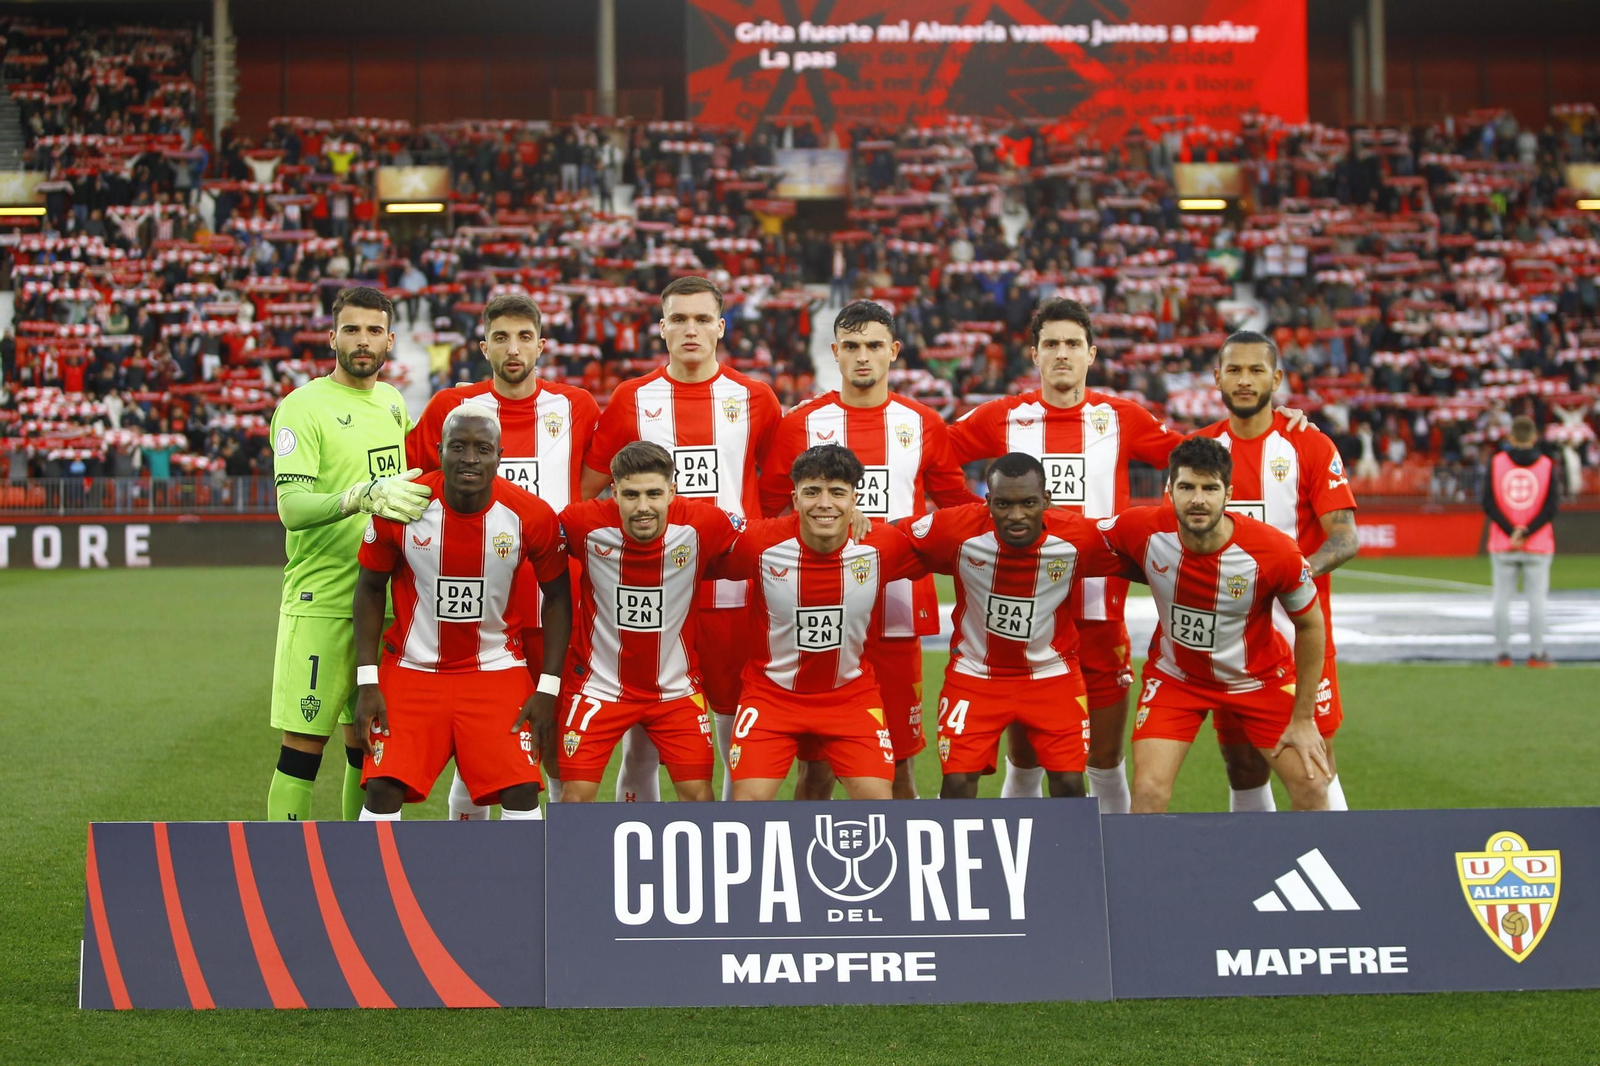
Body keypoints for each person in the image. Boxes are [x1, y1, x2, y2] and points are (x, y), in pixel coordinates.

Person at [946, 298, 1182, 811]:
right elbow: (932, 453)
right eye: (1050, 343)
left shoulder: (1121, 417)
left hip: (1099, 605)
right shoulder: (1004, 417)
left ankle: (1115, 865)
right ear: (1033, 353)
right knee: (1026, 760)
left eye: (1072, 344)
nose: (1061, 353)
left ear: (1091, 354)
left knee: (1103, 760)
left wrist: (1280, 423)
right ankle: (1027, 867)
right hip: (1022, 607)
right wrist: (975, 520)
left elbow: (1191, 458)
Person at [759, 299, 979, 800]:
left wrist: (899, 532)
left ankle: (902, 872)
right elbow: (770, 514)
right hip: (817, 605)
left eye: (875, 346)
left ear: (894, 351)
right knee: (814, 770)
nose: (863, 356)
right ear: (834, 351)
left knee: (899, 761)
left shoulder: (922, 423)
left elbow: (957, 511)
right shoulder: (800, 425)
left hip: (896, 607)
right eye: (852, 346)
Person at [582, 276, 782, 802]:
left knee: (734, 725)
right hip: (655, 595)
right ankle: (636, 849)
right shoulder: (631, 399)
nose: (690, 329)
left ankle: (732, 843)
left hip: (734, 596)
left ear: (721, 326)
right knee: (644, 741)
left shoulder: (756, 399)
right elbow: (591, 493)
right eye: (679, 319)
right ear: (662, 328)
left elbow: (780, 494)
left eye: (701, 319)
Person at [406, 292, 599, 817]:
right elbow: (416, 484)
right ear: (483, 345)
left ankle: (555, 855)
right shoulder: (452, 407)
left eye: (523, 337)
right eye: (500, 337)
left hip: (556, 600)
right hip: (479, 609)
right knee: (483, 741)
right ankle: (477, 866)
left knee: (556, 735)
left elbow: (587, 487)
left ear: (542, 344)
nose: (513, 349)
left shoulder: (576, 406)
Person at [352, 405, 573, 820]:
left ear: (499, 456)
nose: (470, 458)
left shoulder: (530, 515)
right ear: (439, 451)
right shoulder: (404, 507)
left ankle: (517, 885)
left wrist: (547, 687)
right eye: (458, 447)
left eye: (482, 449)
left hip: (494, 669)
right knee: (383, 789)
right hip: (413, 667)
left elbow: (558, 597)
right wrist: (367, 680)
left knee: (522, 790)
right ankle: (373, 884)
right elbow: (367, 587)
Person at [265, 286, 430, 822]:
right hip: (323, 602)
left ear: (390, 340)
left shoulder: (391, 401)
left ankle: (357, 869)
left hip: (382, 602)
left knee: (368, 745)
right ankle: (279, 873)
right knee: (302, 750)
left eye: (374, 330)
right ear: (332, 336)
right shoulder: (302, 407)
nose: (364, 341)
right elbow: (292, 507)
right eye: (352, 330)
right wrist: (359, 495)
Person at [1099, 437, 1330, 813]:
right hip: (1177, 679)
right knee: (1148, 791)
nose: (1198, 500)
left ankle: (1306, 871)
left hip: (1260, 679)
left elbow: (1311, 626)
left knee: (1313, 786)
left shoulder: (1276, 552)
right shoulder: (1140, 528)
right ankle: (1142, 872)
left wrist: (1304, 719)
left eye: (1210, 488)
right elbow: (1077, 539)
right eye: (1187, 487)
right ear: (1169, 490)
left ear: (1229, 494)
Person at [896, 453, 1128, 799]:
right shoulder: (956, 528)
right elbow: (891, 539)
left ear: (1046, 500)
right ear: (988, 501)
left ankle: (1066, 853)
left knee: (1068, 783)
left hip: (1052, 675)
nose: (1016, 515)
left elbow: (1142, 552)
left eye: (1028, 503)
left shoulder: (1078, 537)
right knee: (957, 783)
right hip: (975, 675)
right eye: (1003, 504)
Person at [1196, 330, 1359, 812]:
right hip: (1228, 641)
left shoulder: (1309, 445)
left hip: (1299, 635)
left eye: (1256, 370)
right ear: (1217, 377)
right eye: (1235, 370)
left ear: (1277, 378)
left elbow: (1345, 536)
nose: (1244, 381)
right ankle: (1255, 869)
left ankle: (1340, 876)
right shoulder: (1200, 450)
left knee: (1315, 761)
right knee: (1242, 764)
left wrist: (1293, 573)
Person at [710, 445, 923, 801]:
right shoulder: (759, 543)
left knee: (879, 802)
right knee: (747, 804)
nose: (824, 503)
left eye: (837, 493)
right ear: (795, 498)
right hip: (771, 696)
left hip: (849, 697)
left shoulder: (882, 545)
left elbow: (953, 544)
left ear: (855, 498)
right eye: (812, 492)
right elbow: (692, 554)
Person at [554, 442, 742, 801]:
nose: (643, 507)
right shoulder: (581, 522)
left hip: (676, 690)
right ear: (614, 491)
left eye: (654, 493)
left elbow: (773, 541)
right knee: (574, 796)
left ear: (672, 491)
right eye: (632, 494)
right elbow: (525, 531)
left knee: (699, 796)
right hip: (599, 687)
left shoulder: (704, 523)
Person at [1484, 416, 1559, 668]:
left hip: (1503, 543)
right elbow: (1551, 507)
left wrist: (1511, 531)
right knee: (1537, 601)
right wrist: (1527, 531)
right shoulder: (1547, 465)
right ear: (1534, 437)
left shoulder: (1497, 463)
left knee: (1501, 601)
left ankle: (1503, 655)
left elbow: (1488, 503)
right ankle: (1536, 654)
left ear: (1511, 437)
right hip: (1537, 544)